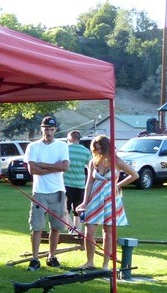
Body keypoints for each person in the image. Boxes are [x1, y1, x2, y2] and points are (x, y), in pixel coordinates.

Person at [76, 135, 138, 270]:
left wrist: (117, 185)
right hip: (95, 198)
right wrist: (85, 202)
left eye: (100, 148)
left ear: (107, 147)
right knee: (89, 230)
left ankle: (105, 264)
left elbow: (134, 175)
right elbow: (89, 183)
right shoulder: (93, 162)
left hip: (111, 199)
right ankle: (89, 261)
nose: (98, 151)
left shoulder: (117, 161)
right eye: (96, 149)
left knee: (108, 233)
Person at [24, 116, 69, 271]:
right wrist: (53, 167)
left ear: (55, 130)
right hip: (40, 191)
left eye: (51, 129)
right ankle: (35, 258)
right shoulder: (33, 146)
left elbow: (64, 167)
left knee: (56, 227)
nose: (48, 132)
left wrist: (42, 165)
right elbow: (32, 170)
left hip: (57, 190)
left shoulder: (62, 146)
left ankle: (52, 256)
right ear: (41, 129)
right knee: (37, 227)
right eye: (46, 129)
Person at [64, 130, 91, 234]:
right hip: (80, 184)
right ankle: (78, 231)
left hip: (66, 183)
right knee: (78, 209)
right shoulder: (86, 151)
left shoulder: (65, 149)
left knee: (64, 209)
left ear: (70, 138)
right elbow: (90, 167)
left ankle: (71, 228)